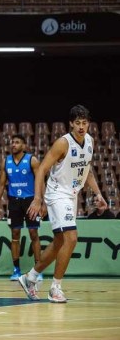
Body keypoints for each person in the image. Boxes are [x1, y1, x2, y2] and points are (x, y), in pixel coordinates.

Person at [18, 105, 108, 303]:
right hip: (57, 194)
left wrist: (99, 194)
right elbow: (41, 169)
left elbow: (88, 171)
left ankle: (30, 277)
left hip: (72, 195)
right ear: (71, 124)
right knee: (72, 238)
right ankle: (55, 288)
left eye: (84, 123)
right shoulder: (63, 143)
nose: (81, 127)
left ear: (88, 124)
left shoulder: (90, 142)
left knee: (60, 241)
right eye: (77, 123)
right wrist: (38, 198)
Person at [0, 134, 43, 281]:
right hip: (14, 202)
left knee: (33, 233)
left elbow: (40, 181)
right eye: (12, 142)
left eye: (17, 142)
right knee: (15, 234)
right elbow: (2, 184)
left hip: (30, 201)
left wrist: (42, 202)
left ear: (24, 146)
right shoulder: (6, 161)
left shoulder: (32, 160)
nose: (13, 145)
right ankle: (16, 270)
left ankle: (38, 270)